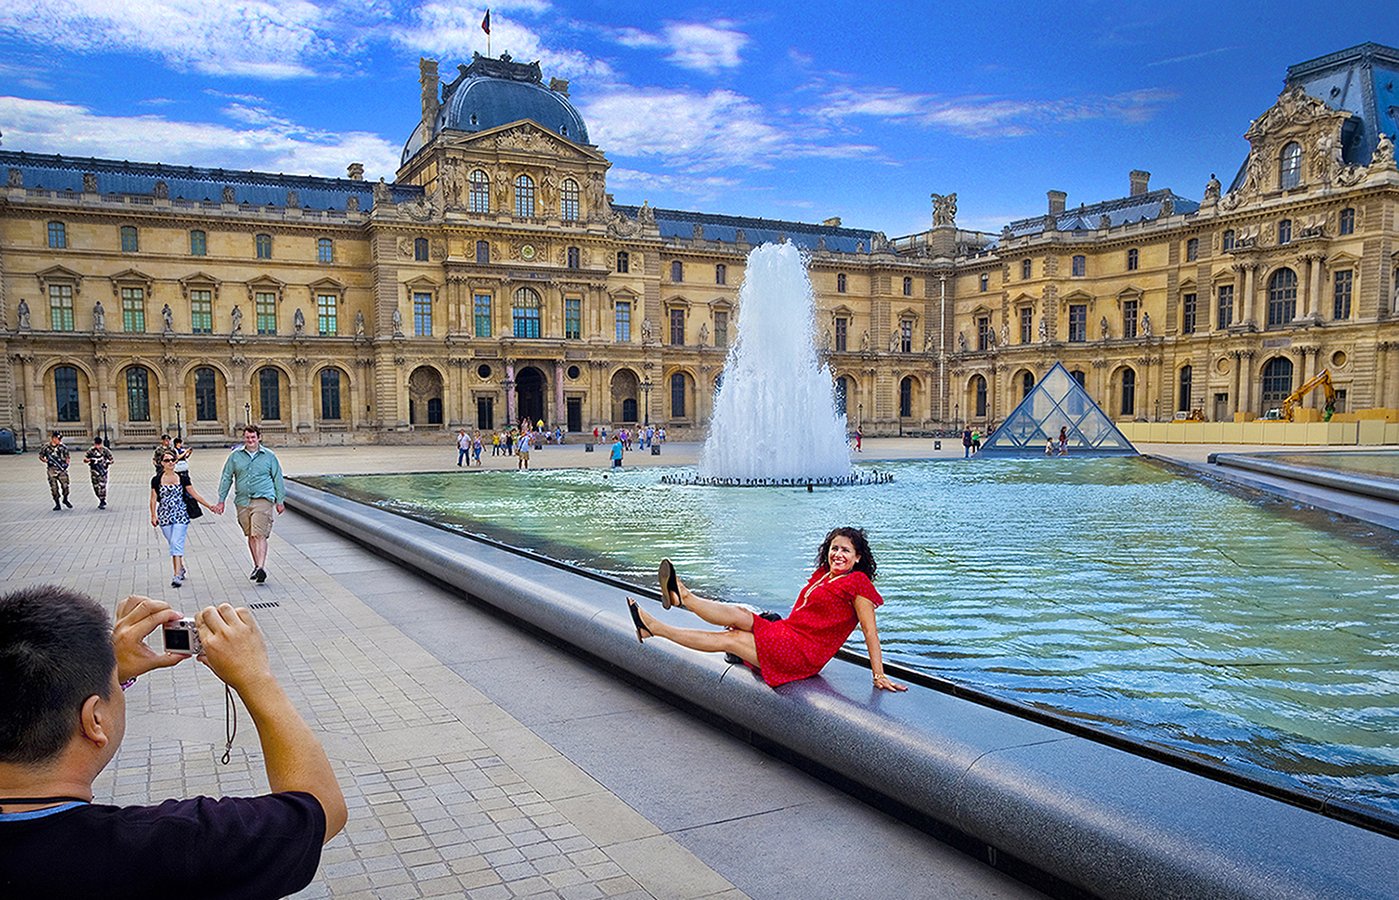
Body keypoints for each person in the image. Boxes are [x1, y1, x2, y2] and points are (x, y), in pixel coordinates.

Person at [0, 587, 347, 896]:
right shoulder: (171, 845)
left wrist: (93, 680)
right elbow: (320, 809)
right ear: (94, 721)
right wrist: (256, 678)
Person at [627, 528, 906, 692]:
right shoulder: (824, 574)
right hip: (789, 635)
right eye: (834, 548)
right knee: (740, 614)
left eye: (846, 551)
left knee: (731, 638)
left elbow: (870, 632)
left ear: (858, 558)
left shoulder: (858, 584)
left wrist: (878, 674)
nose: (838, 555)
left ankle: (656, 629)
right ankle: (683, 597)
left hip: (802, 655)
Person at [212, 425, 285, 585]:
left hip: (263, 499)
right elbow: (226, 477)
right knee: (251, 535)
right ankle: (256, 566)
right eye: (247, 438)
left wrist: (280, 500)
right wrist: (221, 500)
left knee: (259, 534)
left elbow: (277, 478)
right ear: (244, 438)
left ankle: (261, 567)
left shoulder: (269, 456)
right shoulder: (235, 456)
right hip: (242, 501)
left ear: (259, 438)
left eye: (253, 437)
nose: (250, 440)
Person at [151, 450, 216, 587]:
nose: (170, 463)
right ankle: (180, 567)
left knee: (176, 542)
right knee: (173, 544)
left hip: (180, 515)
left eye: (172, 460)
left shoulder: (183, 478)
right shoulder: (156, 479)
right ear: (162, 463)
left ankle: (176, 575)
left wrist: (210, 506)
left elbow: (195, 494)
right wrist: (153, 515)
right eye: (167, 460)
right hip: (164, 517)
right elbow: (153, 499)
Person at [40, 431, 73, 511]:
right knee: (54, 488)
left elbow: (67, 457)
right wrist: (44, 460)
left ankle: (65, 499)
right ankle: (57, 504)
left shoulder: (63, 447)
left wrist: (66, 464)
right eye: (58, 439)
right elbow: (41, 456)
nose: (59, 440)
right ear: (53, 438)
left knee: (65, 486)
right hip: (51, 470)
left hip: (62, 469)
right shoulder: (46, 447)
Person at [83, 436, 115, 509]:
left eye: (99, 444)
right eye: (96, 444)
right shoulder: (91, 451)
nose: (97, 446)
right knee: (96, 487)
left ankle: (102, 500)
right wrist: (90, 460)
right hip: (94, 471)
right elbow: (85, 459)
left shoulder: (105, 450)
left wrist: (107, 462)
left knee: (102, 486)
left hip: (103, 471)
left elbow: (112, 460)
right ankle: (100, 498)